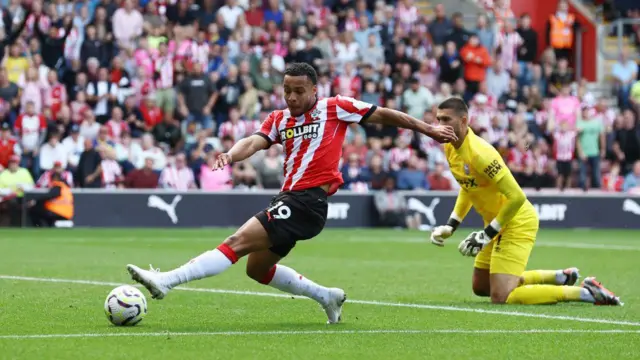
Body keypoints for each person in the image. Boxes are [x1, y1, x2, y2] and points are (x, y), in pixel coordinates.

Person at [125, 62, 457, 324]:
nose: (292, 97)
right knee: (257, 270)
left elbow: (382, 114)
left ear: (314, 90)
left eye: (299, 91)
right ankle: (326, 296)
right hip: (290, 200)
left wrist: (427, 129)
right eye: (286, 90)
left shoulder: (335, 107)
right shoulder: (279, 118)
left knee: (236, 243)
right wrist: (231, 154)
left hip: (308, 200)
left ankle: (167, 280)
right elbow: (254, 142)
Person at [430, 97, 621, 306]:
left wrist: (487, 234)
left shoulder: (480, 153)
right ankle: (557, 277)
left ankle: (585, 292)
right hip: (495, 223)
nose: (440, 125)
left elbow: (517, 197)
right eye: (438, 119)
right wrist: (451, 225)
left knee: (501, 296)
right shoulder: (450, 147)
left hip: (516, 220)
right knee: (481, 286)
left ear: (464, 121)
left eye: (446, 119)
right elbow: (468, 186)